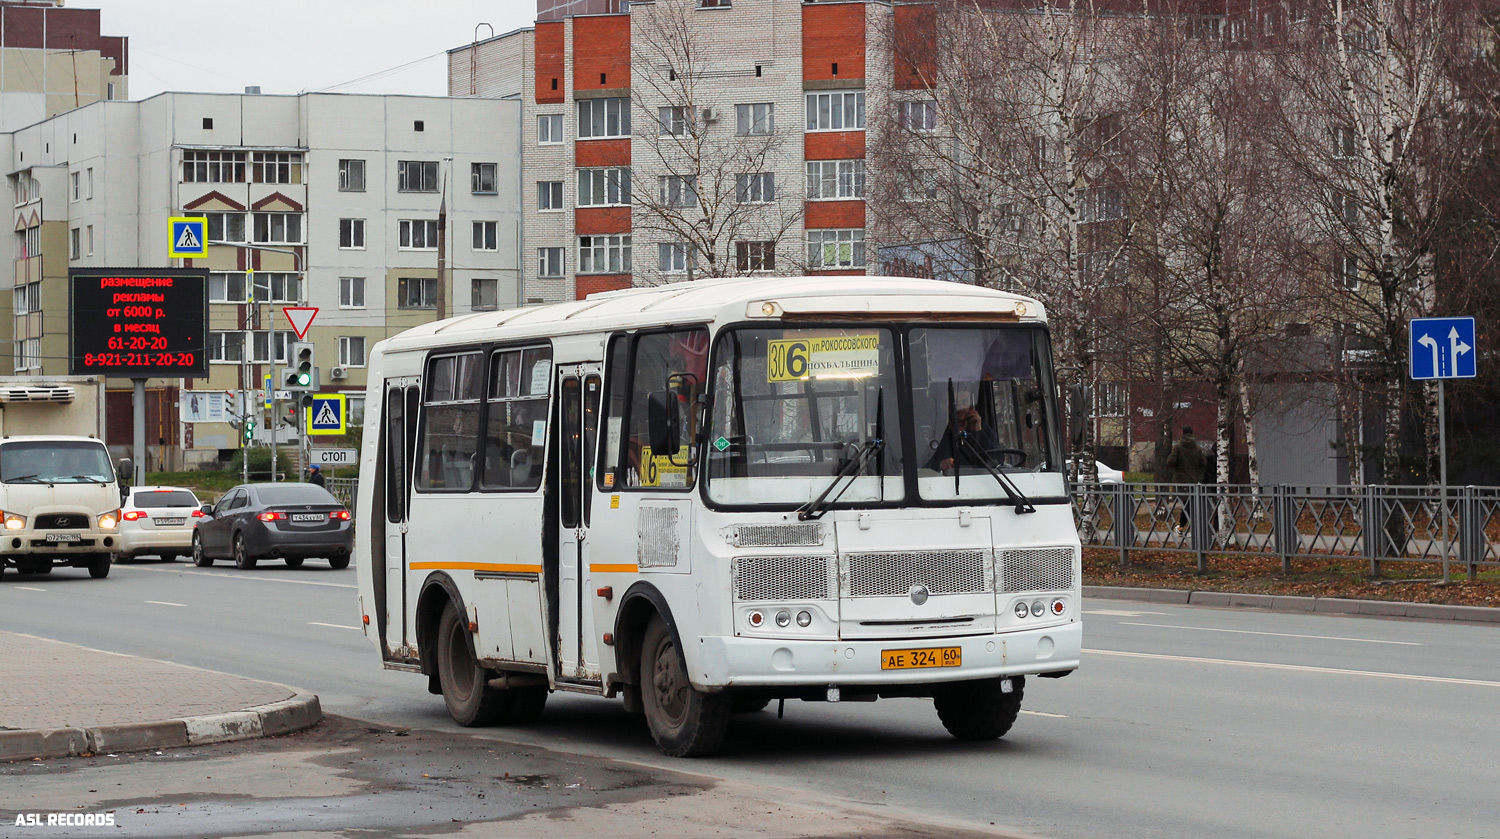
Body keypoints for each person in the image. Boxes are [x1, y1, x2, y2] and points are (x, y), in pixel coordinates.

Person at [1164, 426, 1205, 531]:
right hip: (1194, 481)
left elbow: (1171, 462)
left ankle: (1188, 527)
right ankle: (1187, 527)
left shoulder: (1178, 447)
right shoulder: (1198, 448)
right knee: (1190, 505)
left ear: (1182, 433)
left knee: (1187, 505)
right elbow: (1203, 463)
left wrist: (1170, 458)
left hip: (1181, 481)